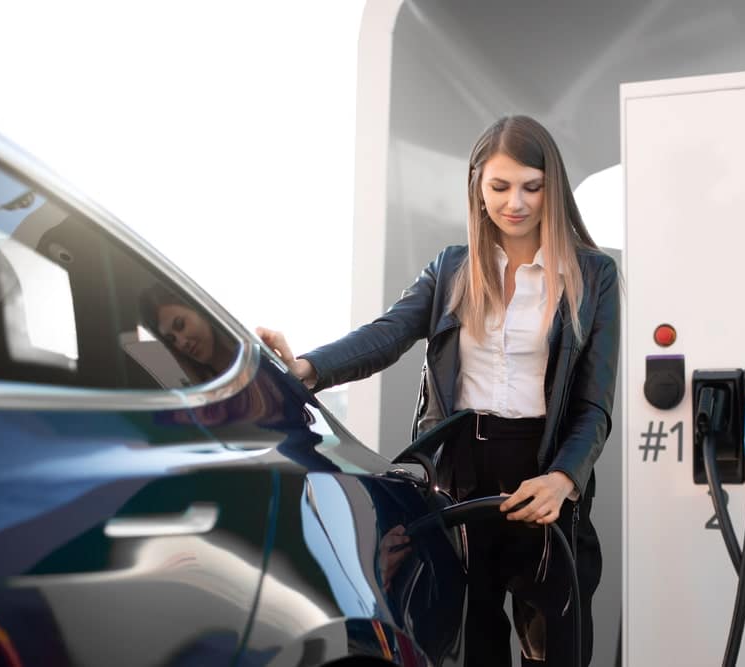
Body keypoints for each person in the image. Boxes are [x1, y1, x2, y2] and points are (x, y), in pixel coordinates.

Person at [257, 115, 619, 666]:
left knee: (559, 648)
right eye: (499, 187)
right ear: (478, 186)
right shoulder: (451, 269)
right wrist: (306, 367)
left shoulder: (594, 276)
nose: (515, 202)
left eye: (531, 186)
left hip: (544, 476)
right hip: (460, 475)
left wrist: (564, 479)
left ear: (553, 187)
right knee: (472, 645)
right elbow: (385, 335)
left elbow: (594, 403)